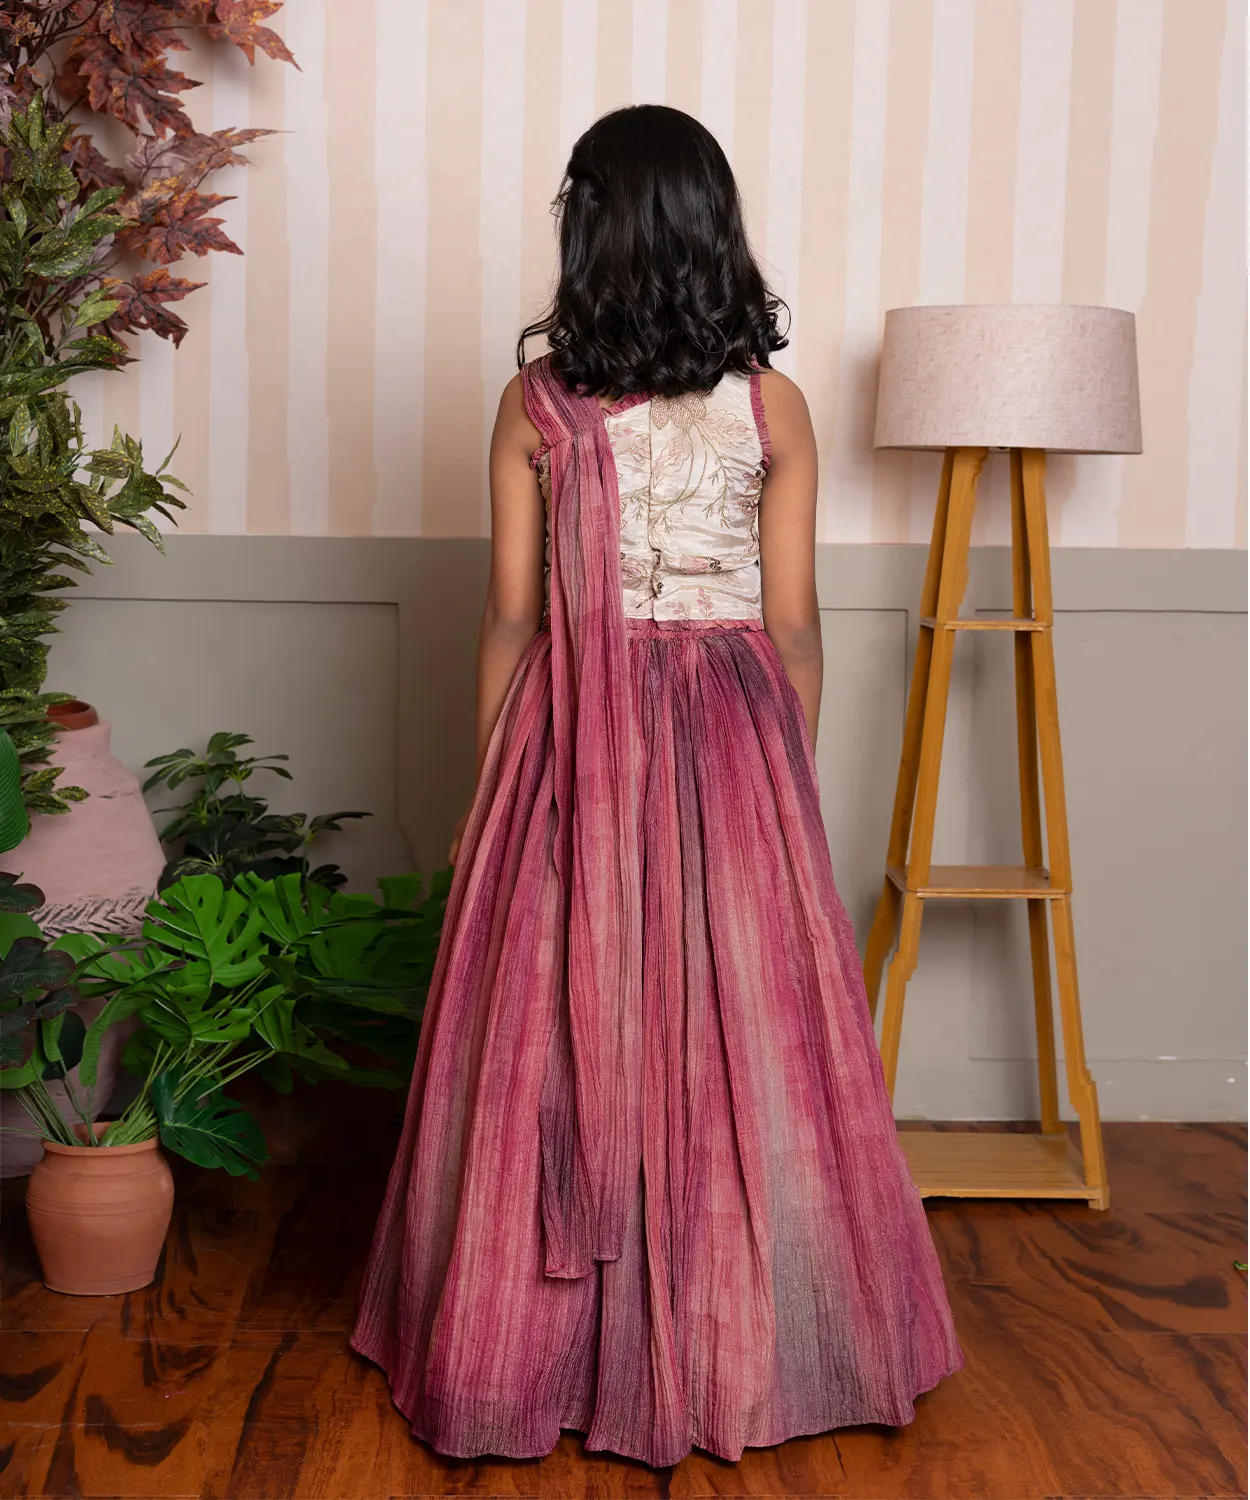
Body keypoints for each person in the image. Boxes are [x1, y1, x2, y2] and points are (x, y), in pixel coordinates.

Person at [352, 103, 963, 1469]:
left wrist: (491, 787)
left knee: (552, 1024)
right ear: (711, 229)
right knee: (741, 1027)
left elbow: (512, 615)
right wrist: (787, 779)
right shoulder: (771, 404)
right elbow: (794, 623)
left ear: (588, 230)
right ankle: (746, 1335)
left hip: (575, 720)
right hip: (736, 725)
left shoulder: (536, 405)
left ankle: (528, 1345)